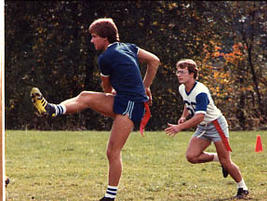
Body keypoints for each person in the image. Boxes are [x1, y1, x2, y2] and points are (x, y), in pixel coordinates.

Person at [31, 18, 160, 201]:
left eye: (94, 37)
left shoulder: (106, 58)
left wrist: (141, 89)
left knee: (112, 151)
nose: (91, 41)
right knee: (85, 96)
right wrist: (145, 86)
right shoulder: (128, 47)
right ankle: (53, 109)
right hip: (126, 100)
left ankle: (110, 197)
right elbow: (154, 61)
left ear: (105, 38)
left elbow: (107, 89)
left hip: (131, 104)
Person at [164, 59, 249, 199]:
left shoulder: (201, 92)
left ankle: (243, 188)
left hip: (216, 125)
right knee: (191, 156)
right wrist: (183, 116)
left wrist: (179, 127)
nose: (178, 75)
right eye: (177, 72)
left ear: (192, 74)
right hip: (203, 127)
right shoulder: (182, 88)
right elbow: (187, 103)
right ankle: (218, 159)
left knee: (227, 162)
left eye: (182, 72)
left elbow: (199, 117)